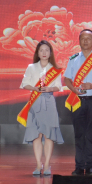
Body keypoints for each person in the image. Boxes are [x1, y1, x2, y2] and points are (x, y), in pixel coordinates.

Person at [63, 29, 92, 176]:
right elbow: (67, 79)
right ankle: (79, 166)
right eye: (83, 38)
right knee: (79, 134)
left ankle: (89, 166)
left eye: (88, 38)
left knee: (91, 134)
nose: (85, 41)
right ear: (79, 40)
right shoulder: (73, 59)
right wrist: (73, 89)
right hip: (77, 100)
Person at [18, 40, 65, 176]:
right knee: (36, 135)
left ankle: (48, 164)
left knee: (49, 135)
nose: (44, 53)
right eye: (41, 50)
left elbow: (59, 86)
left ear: (50, 53)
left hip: (49, 102)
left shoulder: (55, 69)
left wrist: (50, 88)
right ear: (37, 53)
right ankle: (39, 164)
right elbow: (24, 84)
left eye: (47, 50)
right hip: (35, 102)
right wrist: (35, 88)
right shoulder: (31, 67)